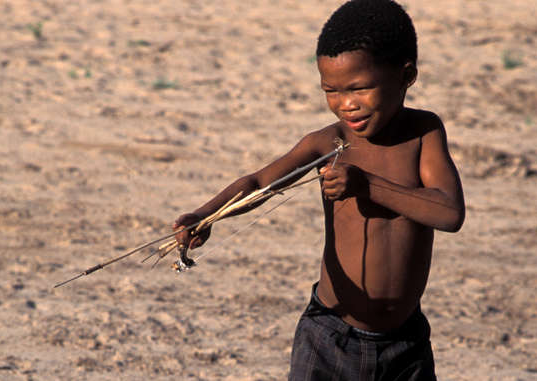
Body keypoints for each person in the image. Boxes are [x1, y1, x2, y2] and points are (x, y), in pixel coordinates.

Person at [174, 0, 465, 379]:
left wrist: (366, 184)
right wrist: (207, 214)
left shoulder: (424, 133)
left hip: (405, 344)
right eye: (331, 91)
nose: (346, 105)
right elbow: (260, 182)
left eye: (360, 88)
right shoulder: (330, 142)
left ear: (406, 75)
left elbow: (449, 212)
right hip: (331, 338)